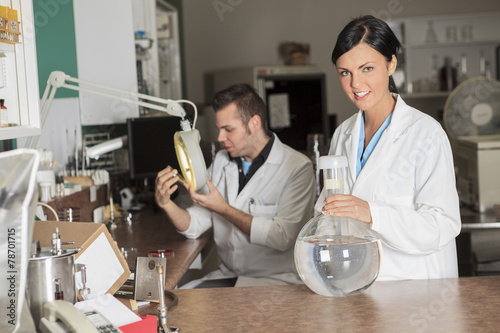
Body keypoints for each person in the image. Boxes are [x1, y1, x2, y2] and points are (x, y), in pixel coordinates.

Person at [319, 15, 461, 281]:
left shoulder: (426, 134)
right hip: (357, 287)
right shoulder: (343, 134)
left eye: (367, 69)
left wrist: (371, 213)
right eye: (345, 73)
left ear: (391, 63)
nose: (356, 84)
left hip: (416, 293)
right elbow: (331, 207)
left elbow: (442, 225)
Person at [155, 83, 316, 286]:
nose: (220, 138)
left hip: (276, 281)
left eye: (228, 129)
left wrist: (222, 208)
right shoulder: (223, 161)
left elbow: (282, 237)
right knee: (179, 302)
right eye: (219, 129)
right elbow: (195, 225)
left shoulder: (296, 167)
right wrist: (166, 204)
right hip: (229, 275)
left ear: (254, 123)